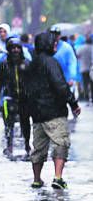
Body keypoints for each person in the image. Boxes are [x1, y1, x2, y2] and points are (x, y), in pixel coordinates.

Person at [24, 31, 81, 189]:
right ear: (47, 44)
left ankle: (37, 179)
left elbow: (26, 90)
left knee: (38, 147)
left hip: (37, 115)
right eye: (53, 42)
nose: (56, 44)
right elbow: (60, 86)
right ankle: (58, 177)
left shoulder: (31, 64)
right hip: (54, 112)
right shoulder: (51, 63)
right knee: (60, 143)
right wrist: (73, 103)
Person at [0, 37, 32, 160]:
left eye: (18, 48)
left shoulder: (27, 63)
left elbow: (33, 82)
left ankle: (27, 145)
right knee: (8, 124)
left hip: (25, 98)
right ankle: (9, 146)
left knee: (25, 123)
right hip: (9, 98)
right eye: (13, 48)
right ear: (9, 50)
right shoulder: (4, 64)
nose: (16, 50)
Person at [75, 35, 93, 103]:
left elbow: (77, 55)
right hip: (91, 69)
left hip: (83, 68)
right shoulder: (92, 48)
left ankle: (86, 98)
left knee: (85, 84)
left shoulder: (81, 48)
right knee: (91, 84)